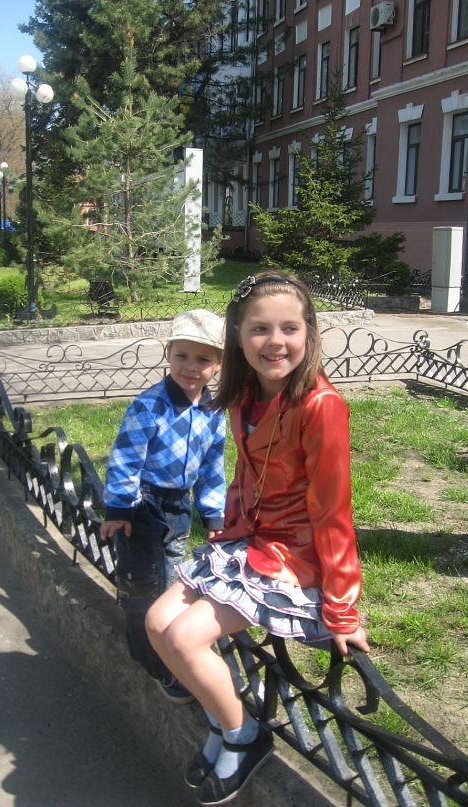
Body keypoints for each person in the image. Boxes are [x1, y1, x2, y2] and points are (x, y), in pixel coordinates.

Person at [146, 273, 370, 805]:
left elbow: (333, 512)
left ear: (309, 331)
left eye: (290, 328)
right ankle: (223, 720)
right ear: (238, 337)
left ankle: (245, 737)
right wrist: (229, 524)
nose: (276, 342)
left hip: (291, 556)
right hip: (247, 540)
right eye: (260, 329)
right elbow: (246, 473)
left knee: (184, 639)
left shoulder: (320, 405)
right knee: (157, 623)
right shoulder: (245, 394)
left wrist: (342, 609)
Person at [101, 309, 226, 704]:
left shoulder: (213, 411)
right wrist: (119, 508)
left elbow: (212, 466)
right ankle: (156, 663)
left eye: (203, 359)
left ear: (219, 365)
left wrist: (214, 513)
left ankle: (173, 646)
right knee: (143, 585)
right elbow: (125, 458)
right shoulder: (149, 406)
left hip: (179, 507)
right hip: (143, 506)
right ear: (168, 353)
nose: (191, 367)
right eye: (182, 356)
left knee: (172, 580)